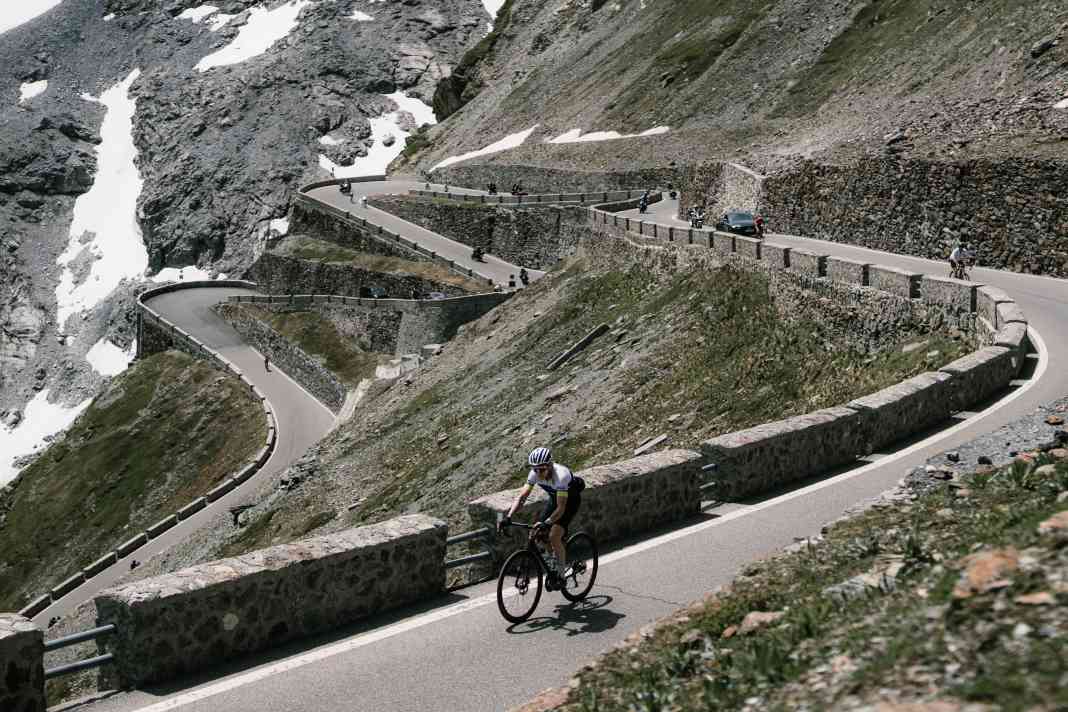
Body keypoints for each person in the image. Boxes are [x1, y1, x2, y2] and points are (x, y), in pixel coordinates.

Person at [498, 447, 585, 591]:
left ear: (550, 465)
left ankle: (561, 576)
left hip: (569, 502)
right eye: (535, 469)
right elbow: (522, 498)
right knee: (535, 534)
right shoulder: (535, 474)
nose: (539, 473)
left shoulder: (561, 476)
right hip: (554, 499)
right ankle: (553, 563)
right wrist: (508, 516)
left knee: (554, 535)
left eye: (542, 469)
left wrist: (547, 523)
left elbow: (561, 509)